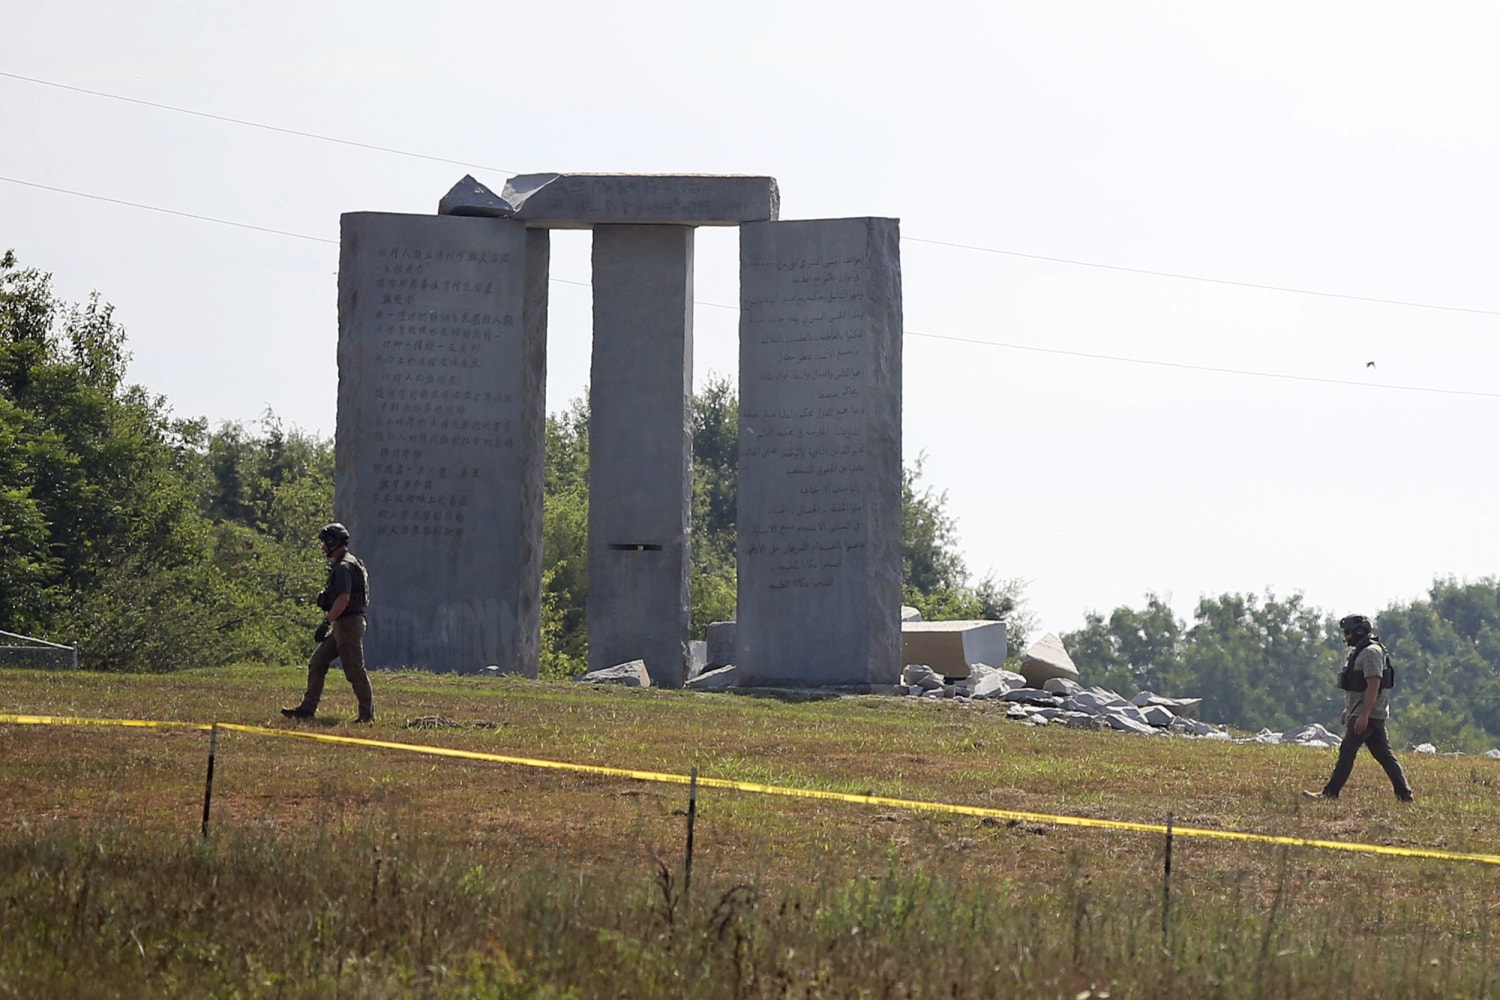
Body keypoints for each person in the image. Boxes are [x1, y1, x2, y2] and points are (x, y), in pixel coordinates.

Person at [1303, 614, 1413, 802]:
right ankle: (1405, 795)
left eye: (1348, 632)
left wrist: (1363, 714)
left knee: (1347, 750)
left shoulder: (1370, 653)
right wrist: (1349, 709)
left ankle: (1330, 793)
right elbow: (1359, 686)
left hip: (1368, 712)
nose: (1345, 636)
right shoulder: (1362, 652)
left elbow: (1373, 684)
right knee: (1384, 755)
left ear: (1359, 631)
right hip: (1367, 711)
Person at [281, 522, 375, 723]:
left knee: (354, 670)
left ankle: (367, 716)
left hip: (348, 625)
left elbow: (344, 598)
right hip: (343, 623)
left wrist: (326, 622)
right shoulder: (348, 562)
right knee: (318, 662)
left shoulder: (343, 567)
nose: (322, 547)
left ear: (333, 542)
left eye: (324, 542)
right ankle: (307, 709)